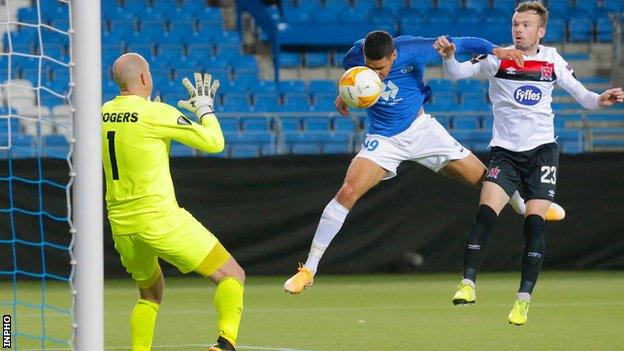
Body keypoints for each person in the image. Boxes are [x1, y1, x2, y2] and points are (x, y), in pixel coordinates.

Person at [283, 30, 566, 295]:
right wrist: (345, 95)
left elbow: (462, 43)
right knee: (347, 191)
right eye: (370, 67)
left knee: (486, 179)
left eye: (380, 69)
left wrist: (496, 49)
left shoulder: (413, 49)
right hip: (383, 139)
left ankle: (522, 204)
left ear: (393, 56)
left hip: (422, 130)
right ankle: (309, 269)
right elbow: (354, 79)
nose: (375, 74)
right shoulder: (354, 58)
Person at [436, 1, 624, 325]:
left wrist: (600, 99)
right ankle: (467, 283)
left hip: (541, 153)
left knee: (533, 224)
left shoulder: (551, 60)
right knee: (485, 213)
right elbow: (457, 73)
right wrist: (449, 56)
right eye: (515, 24)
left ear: (540, 31)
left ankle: (522, 300)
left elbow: (582, 96)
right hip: (505, 153)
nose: (518, 30)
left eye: (525, 25)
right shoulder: (498, 57)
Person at [102, 53, 245, 351]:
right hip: (160, 219)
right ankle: (225, 345)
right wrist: (204, 110)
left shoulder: (102, 113)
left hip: (121, 224)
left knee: (150, 294)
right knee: (232, 274)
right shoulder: (156, 113)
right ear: (144, 78)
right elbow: (214, 143)